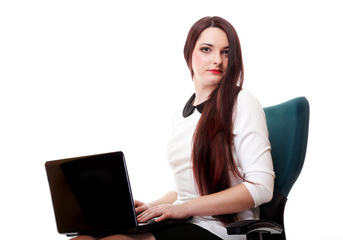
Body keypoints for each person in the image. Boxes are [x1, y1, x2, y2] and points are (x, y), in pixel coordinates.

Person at [73, 16, 275, 240]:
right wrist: (153, 206)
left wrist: (183, 209)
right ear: (189, 53)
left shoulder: (242, 102)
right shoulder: (182, 115)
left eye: (226, 52)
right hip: (186, 219)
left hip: (223, 228)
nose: (217, 60)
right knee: (83, 238)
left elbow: (261, 187)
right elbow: (189, 192)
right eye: (207, 49)